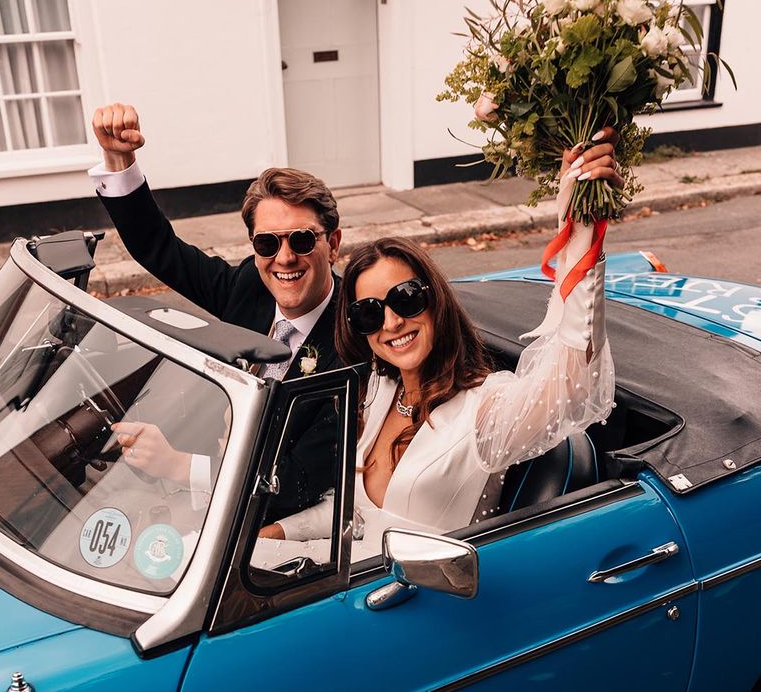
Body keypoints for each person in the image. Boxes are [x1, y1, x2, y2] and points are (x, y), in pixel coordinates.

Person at [259, 133, 620, 550]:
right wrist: (270, 538)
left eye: (406, 299)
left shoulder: (485, 410)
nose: (392, 322)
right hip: (350, 591)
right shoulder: (377, 392)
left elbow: (574, 383)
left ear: (436, 302)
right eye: (370, 312)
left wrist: (581, 227)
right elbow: (353, 516)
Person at [89, 103, 343, 521]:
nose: (284, 259)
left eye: (300, 240)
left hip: (266, 527)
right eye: (266, 243)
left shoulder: (354, 337)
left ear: (332, 244)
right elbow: (161, 250)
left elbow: (300, 481)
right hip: (198, 500)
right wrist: (120, 162)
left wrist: (178, 466)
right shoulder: (248, 287)